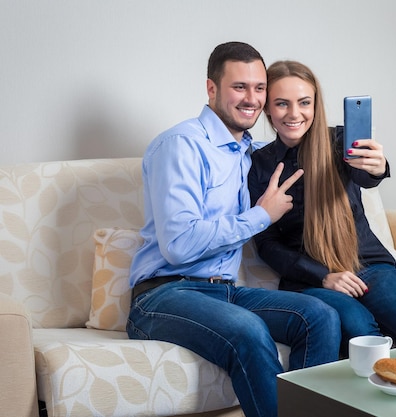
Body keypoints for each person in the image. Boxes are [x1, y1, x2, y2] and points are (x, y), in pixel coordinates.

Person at [126, 43, 341, 417]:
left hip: (224, 292)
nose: (252, 99)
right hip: (163, 296)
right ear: (211, 89)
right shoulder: (182, 145)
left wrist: (367, 163)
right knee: (249, 331)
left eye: (260, 88)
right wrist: (261, 216)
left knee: (319, 316)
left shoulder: (250, 154)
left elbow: (303, 137)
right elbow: (178, 244)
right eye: (239, 87)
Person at [248, 60, 396, 356]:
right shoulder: (260, 164)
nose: (294, 114)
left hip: (367, 264)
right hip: (310, 281)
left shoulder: (339, 141)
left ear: (316, 106)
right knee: (360, 331)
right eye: (281, 104)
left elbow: (365, 177)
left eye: (304, 103)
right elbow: (267, 243)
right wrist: (323, 276)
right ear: (267, 109)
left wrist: (378, 167)